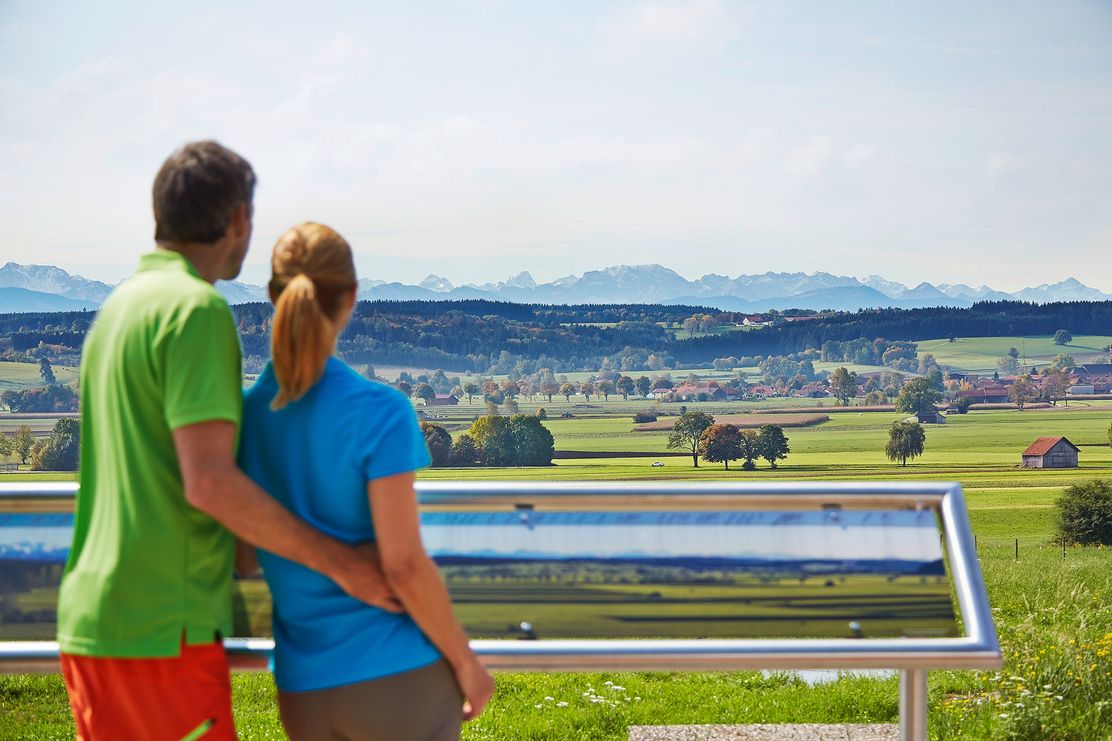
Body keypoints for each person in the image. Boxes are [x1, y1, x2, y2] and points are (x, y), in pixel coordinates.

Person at [57, 141, 400, 741]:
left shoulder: (117, 311)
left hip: (94, 622)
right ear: (239, 219)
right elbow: (210, 480)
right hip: (162, 628)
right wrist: (345, 564)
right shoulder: (195, 312)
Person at [236, 222, 494, 740]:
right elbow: (402, 564)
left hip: (303, 687)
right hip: (400, 676)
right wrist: (466, 663)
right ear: (352, 298)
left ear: (271, 296)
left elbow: (244, 557)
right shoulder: (381, 411)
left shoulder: (243, 417)